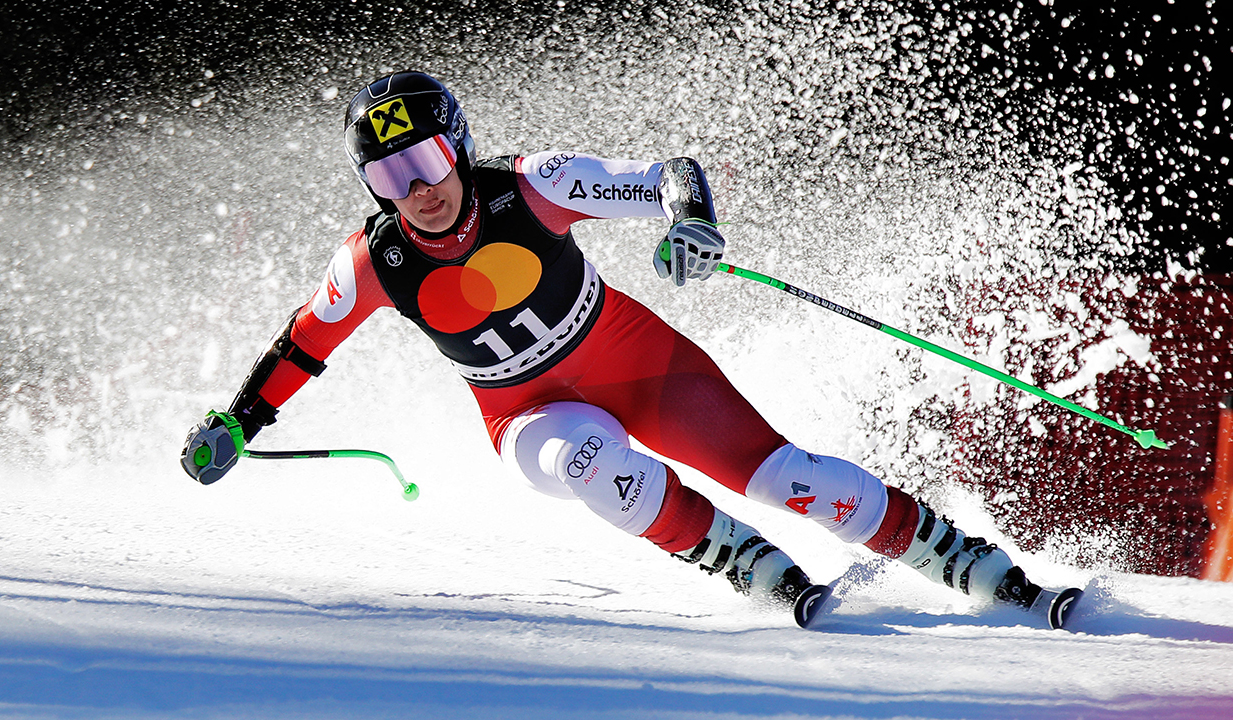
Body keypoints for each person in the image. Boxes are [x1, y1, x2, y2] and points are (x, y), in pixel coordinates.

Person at [181, 71, 1079, 628]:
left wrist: (695, 227)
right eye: (385, 178)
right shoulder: (372, 260)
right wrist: (237, 419)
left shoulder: (530, 188)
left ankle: (976, 569)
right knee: (584, 462)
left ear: (457, 147)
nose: (411, 192)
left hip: (635, 358)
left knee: (788, 477)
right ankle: (739, 562)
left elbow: (669, 178)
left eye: (421, 163)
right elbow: (303, 345)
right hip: (524, 411)